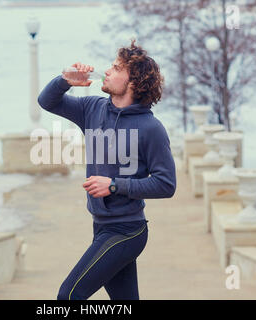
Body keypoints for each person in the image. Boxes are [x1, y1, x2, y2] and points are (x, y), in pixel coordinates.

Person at [37, 39, 176, 300]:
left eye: (116, 68)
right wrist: (65, 80)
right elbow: (47, 102)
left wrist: (114, 185)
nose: (108, 71)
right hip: (100, 226)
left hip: (127, 231)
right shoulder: (92, 108)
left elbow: (166, 184)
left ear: (133, 82)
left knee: (68, 296)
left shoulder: (151, 129)